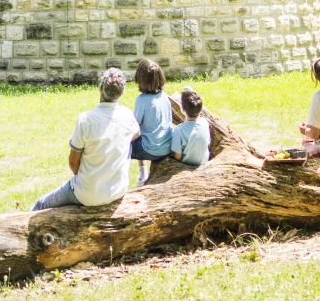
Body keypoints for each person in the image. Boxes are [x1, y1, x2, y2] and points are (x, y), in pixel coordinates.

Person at [31, 67, 140, 211]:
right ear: (122, 92)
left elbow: (73, 162)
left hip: (87, 193)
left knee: (41, 204)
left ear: (100, 88)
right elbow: (136, 133)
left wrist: (86, 179)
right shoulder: (127, 115)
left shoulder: (85, 119)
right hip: (117, 190)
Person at [131, 57, 173, 185]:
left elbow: (134, 126)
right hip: (167, 146)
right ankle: (143, 174)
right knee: (142, 135)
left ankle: (142, 174)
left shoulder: (142, 100)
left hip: (150, 150)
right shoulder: (165, 97)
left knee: (122, 144)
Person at [171, 86, 211, 167]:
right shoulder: (205, 123)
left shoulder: (179, 129)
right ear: (201, 110)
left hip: (187, 165)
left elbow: (177, 157)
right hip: (203, 162)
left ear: (183, 109)